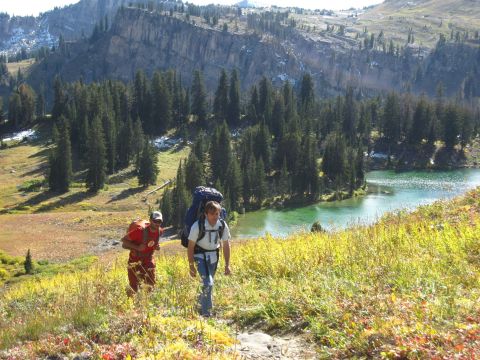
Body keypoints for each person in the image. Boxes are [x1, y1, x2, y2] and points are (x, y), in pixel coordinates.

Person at [188, 200, 231, 317]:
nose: (215, 217)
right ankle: (206, 314)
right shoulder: (197, 225)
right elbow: (190, 247)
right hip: (199, 256)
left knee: (208, 283)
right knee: (209, 283)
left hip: (214, 257)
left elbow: (226, 245)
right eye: (212, 214)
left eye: (217, 214)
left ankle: (199, 304)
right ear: (206, 214)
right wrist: (191, 266)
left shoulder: (222, 225)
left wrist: (227, 264)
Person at [122, 211, 163, 294]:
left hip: (148, 260)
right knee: (133, 287)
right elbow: (124, 242)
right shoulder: (140, 231)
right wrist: (137, 247)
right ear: (150, 220)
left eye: (159, 221)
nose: (157, 224)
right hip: (134, 260)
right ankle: (132, 305)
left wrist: (156, 246)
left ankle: (147, 303)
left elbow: (152, 242)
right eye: (155, 221)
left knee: (150, 284)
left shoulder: (160, 231)